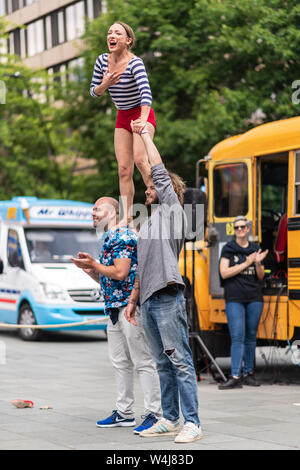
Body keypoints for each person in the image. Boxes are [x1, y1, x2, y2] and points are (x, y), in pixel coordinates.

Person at [124, 128, 202, 444]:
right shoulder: (148, 225)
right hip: (149, 300)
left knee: (180, 360)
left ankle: (193, 423)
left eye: (151, 187)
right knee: (161, 363)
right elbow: (143, 267)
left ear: (167, 189)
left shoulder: (173, 212)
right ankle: (170, 419)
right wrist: (133, 300)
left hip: (169, 296)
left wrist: (146, 136)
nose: (147, 190)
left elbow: (157, 169)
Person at [70, 197, 161, 434]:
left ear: (112, 213)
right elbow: (110, 278)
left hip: (129, 308)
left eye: (97, 209)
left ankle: (155, 413)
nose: (93, 213)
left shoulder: (121, 236)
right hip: (114, 307)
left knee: (142, 361)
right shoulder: (109, 237)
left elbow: (120, 273)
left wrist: (96, 264)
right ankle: (124, 412)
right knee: (120, 362)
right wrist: (91, 270)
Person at [90, 21, 156, 221]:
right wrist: (105, 83)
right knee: (123, 169)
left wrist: (143, 120)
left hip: (141, 112)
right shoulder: (102, 61)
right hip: (122, 115)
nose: (111, 35)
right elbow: (94, 92)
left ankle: (159, 201)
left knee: (141, 160)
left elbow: (146, 93)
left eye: (117, 33)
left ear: (128, 40)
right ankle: (127, 217)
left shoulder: (135, 63)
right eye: (109, 32)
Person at [218, 215, 268, 389]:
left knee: (251, 336)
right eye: (237, 227)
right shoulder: (228, 249)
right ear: (234, 230)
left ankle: (248, 373)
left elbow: (260, 277)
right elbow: (224, 273)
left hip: (254, 297)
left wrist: (259, 264)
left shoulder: (255, 248)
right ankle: (235, 375)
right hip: (234, 298)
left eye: (242, 227)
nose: (240, 230)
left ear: (248, 229)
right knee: (237, 336)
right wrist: (247, 263)